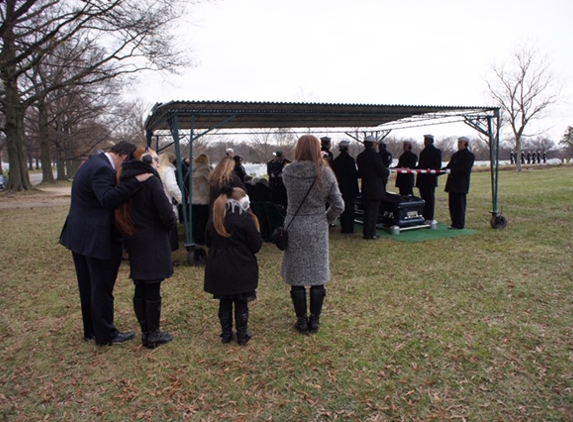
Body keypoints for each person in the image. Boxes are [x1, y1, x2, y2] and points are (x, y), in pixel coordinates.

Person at [59, 141, 151, 346]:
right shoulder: (102, 168)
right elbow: (107, 198)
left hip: (80, 236)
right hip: (95, 238)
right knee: (101, 287)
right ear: (124, 158)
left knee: (88, 286)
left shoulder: (93, 163)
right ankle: (106, 334)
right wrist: (136, 181)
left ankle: (92, 330)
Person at [281, 135, 344, 335]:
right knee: (318, 276)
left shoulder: (288, 172)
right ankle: (314, 321)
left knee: (297, 276)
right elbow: (339, 205)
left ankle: (301, 322)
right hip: (317, 225)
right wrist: (325, 218)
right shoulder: (325, 173)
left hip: (295, 226)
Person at [115, 147, 176, 348]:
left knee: (141, 285)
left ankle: (146, 331)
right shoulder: (150, 180)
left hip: (135, 239)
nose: (158, 163)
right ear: (147, 160)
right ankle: (152, 334)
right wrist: (170, 222)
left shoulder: (126, 179)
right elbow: (166, 214)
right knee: (152, 287)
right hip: (153, 240)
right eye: (155, 159)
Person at [204, 187, 263, 345]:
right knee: (241, 301)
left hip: (218, 266)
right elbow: (256, 244)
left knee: (225, 300)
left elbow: (208, 242)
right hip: (241, 266)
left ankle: (226, 334)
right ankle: (242, 335)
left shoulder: (214, 217)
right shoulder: (244, 218)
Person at [356, 135, 387, 240]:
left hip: (366, 187)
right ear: (373, 144)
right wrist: (388, 171)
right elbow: (381, 171)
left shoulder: (360, 156)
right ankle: (371, 233)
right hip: (375, 188)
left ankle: (366, 233)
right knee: (374, 212)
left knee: (367, 212)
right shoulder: (375, 156)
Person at [443, 136, 475, 230]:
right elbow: (449, 167)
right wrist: (437, 172)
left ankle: (460, 224)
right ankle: (454, 223)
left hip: (461, 184)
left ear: (465, 143)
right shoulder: (455, 155)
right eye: (458, 142)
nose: (458, 144)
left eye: (460, 142)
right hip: (453, 184)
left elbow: (465, 169)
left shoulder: (469, 156)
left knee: (460, 205)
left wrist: (452, 171)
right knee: (452, 204)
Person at [331, 140, 359, 234]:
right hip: (350, 188)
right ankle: (349, 228)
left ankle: (344, 227)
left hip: (341, 187)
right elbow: (353, 174)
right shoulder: (350, 160)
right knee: (350, 209)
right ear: (347, 148)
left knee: (343, 208)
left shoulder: (337, 160)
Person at [158, 152, 182, 251]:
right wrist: (181, 199)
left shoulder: (156, 169)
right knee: (169, 234)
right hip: (167, 203)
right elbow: (172, 186)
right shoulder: (168, 170)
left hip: (157, 204)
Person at [416, 134, 442, 223]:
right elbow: (420, 165)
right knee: (424, 199)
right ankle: (424, 216)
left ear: (431, 141)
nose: (425, 142)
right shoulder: (423, 152)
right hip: (422, 179)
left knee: (430, 199)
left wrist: (428, 169)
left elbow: (437, 166)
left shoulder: (436, 152)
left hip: (429, 179)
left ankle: (429, 217)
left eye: (426, 140)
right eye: (424, 140)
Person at [191, 153, 212, 245]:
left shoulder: (193, 170)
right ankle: (201, 238)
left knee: (196, 218)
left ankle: (195, 235)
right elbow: (211, 180)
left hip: (193, 198)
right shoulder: (205, 169)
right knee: (203, 219)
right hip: (203, 198)